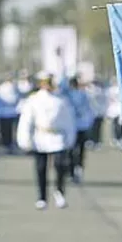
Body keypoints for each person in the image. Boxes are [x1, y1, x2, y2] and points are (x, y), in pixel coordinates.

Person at [16, 72, 76, 209]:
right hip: (40, 136)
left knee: (60, 166)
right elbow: (26, 121)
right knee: (41, 167)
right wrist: (25, 139)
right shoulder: (33, 100)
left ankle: (59, 192)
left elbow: (69, 121)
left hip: (57, 137)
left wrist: (70, 138)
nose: (47, 85)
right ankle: (42, 197)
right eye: (44, 82)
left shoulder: (61, 100)